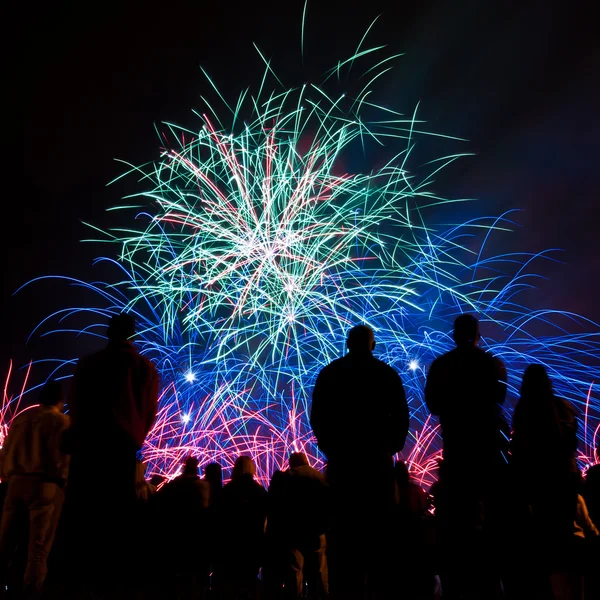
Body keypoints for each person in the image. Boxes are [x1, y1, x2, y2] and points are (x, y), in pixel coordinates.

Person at [310, 324, 409, 599]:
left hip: (344, 467)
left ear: (347, 344)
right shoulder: (387, 375)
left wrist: (332, 449)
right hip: (377, 468)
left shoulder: (330, 373)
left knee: (344, 545)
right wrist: (387, 449)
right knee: (379, 544)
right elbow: (402, 419)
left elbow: (317, 417)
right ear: (373, 345)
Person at [65, 312, 159, 594]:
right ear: (133, 335)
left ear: (108, 333)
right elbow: (150, 414)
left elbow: (75, 404)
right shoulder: (145, 368)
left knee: (86, 522)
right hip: (122, 450)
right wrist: (134, 434)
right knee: (119, 524)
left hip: (88, 449)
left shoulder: (88, 364)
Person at [424, 314, 508, 599]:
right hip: (487, 451)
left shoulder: (442, 366)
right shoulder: (492, 364)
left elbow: (433, 405)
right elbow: (499, 399)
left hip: (457, 451)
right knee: (490, 519)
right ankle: (491, 582)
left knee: (457, 520)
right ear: (477, 335)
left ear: (454, 335)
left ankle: (458, 584)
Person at [509, 364, 580, 598]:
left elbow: (519, 450)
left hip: (537, 486)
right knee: (563, 542)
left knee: (542, 544)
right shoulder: (564, 408)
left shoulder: (523, 411)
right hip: (563, 483)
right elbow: (572, 445)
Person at [0, 380, 70, 597]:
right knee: (38, 550)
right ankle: (31, 591)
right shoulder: (62, 422)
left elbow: (6, 453)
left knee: (5, 544)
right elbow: (63, 459)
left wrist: (6, 476)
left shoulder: (22, 419)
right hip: (45, 485)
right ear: (61, 400)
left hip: (16, 483)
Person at [265, 452, 329, 599]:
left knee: (294, 573)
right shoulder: (319, 477)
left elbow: (276, 505)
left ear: (292, 463)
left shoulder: (286, 477)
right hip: (316, 531)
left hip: (292, 532)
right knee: (318, 573)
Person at [156, 456, 211, 598]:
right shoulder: (203, 486)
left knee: (177, 574)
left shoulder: (173, 485)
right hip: (196, 536)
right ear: (197, 467)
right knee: (193, 574)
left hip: (176, 534)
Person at [216, 456, 269, 599]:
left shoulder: (227, 490)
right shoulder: (259, 491)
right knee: (249, 581)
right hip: (253, 544)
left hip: (231, 545)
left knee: (232, 585)